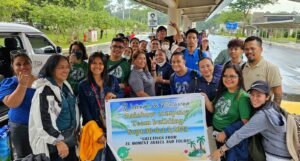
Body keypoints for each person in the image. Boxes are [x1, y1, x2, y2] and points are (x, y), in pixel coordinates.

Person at [210, 80, 292, 161]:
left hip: (277, 156)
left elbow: (240, 135)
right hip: (284, 149)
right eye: (252, 95)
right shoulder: (272, 106)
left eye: (258, 95)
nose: (254, 98)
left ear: (267, 97)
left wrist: (221, 150)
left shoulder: (262, 116)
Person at [29, 55, 79, 161]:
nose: (65, 70)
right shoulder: (44, 91)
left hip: (69, 140)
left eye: (67, 67)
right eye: (61, 67)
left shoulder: (65, 85)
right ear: (51, 69)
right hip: (54, 145)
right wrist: (58, 141)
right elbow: (44, 122)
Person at [78, 52, 123, 161]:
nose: (97, 66)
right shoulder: (83, 85)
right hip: (96, 128)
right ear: (89, 65)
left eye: (100, 63)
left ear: (105, 65)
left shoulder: (112, 80)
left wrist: (115, 95)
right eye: (94, 63)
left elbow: (121, 94)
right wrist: (97, 133)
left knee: (114, 156)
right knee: (97, 157)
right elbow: (85, 111)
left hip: (113, 125)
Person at [202, 64, 251, 161]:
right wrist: (205, 98)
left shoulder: (242, 97)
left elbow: (246, 122)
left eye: (232, 76)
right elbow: (213, 109)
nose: (228, 79)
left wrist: (226, 132)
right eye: (225, 76)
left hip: (229, 140)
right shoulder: (223, 91)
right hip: (215, 135)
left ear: (239, 78)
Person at [0, 51, 37, 159]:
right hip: (21, 128)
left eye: (26, 63)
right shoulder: (9, 82)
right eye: (18, 64)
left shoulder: (40, 81)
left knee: (41, 155)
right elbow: (13, 103)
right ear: (13, 66)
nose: (23, 66)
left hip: (40, 126)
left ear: (31, 64)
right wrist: (22, 85)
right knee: (25, 157)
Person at [242, 36, 282, 105]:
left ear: (261, 49)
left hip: (261, 111)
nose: (249, 51)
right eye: (246, 49)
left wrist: (274, 111)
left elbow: (278, 94)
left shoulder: (271, 68)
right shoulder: (242, 67)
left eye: (252, 48)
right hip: (244, 111)